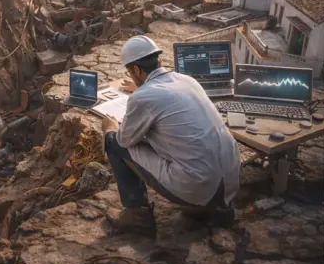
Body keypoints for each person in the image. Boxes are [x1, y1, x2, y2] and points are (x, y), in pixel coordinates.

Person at [102, 35, 240, 236]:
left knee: (114, 140)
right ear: (158, 60)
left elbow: (125, 140)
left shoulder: (143, 97)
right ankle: (214, 209)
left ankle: (137, 216)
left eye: (130, 72)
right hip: (230, 182)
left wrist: (110, 126)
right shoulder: (187, 80)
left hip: (200, 186)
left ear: (137, 70)